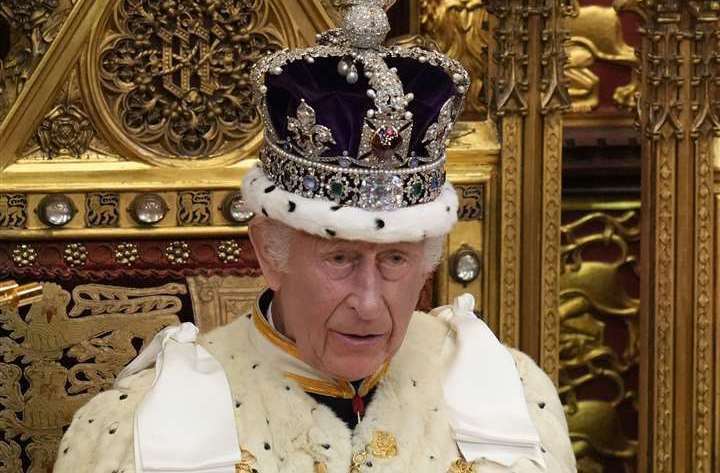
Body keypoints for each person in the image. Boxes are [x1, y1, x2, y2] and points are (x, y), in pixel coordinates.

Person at [53, 1, 576, 472]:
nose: (370, 304)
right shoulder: (137, 427)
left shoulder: (513, 399)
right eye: (341, 258)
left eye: (394, 259)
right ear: (268, 253)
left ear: (427, 261)